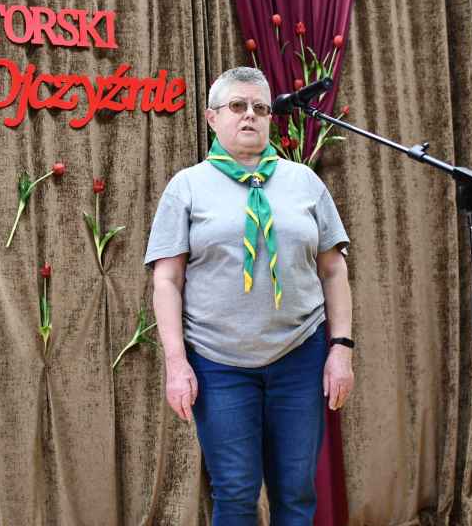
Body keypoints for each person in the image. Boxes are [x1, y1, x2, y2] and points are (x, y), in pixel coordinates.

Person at [144, 67, 354, 525]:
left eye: (260, 108)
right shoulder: (187, 187)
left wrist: (340, 349)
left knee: (296, 493)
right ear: (212, 118)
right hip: (218, 363)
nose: (250, 115)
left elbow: (334, 269)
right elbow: (167, 281)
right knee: (236, 494)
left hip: (299, 357)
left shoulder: (304, 182)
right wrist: (176, 363)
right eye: (237, 106)